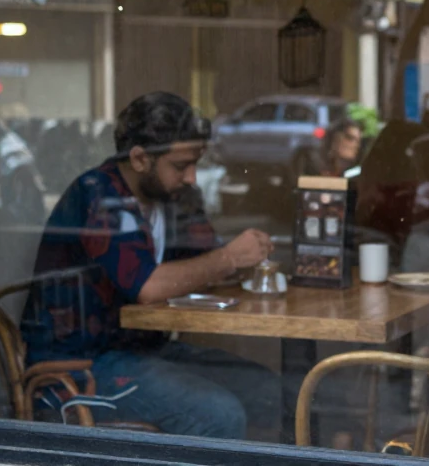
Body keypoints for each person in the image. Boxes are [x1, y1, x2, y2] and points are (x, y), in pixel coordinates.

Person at [20, 92, 283, 439]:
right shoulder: (100, 196)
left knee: (266, 388)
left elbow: (203, 262)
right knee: (219, 414)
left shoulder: (174, 197)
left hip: (143, 350)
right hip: (77, 367)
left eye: (195, 164)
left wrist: (244, 260)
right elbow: (149, 287)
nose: (191, 177)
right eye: (180, 166)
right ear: (140, 159)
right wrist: (229, 257)